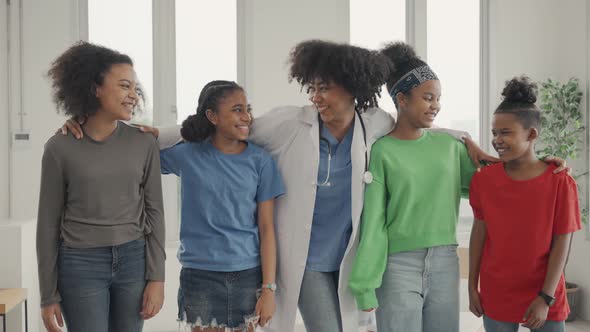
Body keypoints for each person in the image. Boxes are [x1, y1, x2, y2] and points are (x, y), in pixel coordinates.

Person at [348, 41, 479, 332]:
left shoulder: (450, 146)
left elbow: (492, 187)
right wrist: (365, 284)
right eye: (428, 97)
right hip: (397, 266)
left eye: (438, 98)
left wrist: (539, 165)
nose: (436, 105)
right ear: (402, 100)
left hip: (446, 260)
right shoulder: (382, 151)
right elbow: (375, 223)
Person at [38, 41, 165, 332]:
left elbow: (155, 212)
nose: (133, 95)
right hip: (80, 264)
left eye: (135, 88)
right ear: (94, 88)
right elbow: (47, 224)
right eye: (124, 86)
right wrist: (48, 295)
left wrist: (157, 277)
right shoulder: (60, 147)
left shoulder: (143, 142)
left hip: (134, 259)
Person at [159, 80, 284, 331]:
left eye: (247, 109)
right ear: (212, 116)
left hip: (248, 272)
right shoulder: (188, 154)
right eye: (237, 109)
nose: (247, 117)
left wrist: (269, 289)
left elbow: (267, 227)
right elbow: (133, 149)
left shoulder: (261, 162)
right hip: (199, 274)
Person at [468, 76, 581, 332]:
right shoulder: (484, 180)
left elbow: (562, 242)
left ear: (532, 134)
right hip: (497, 289)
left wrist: (545, 298)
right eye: (494, 133)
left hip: (545, 290)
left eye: (506, 132)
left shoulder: (559, 181)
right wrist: (472, 286)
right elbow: (479, 234)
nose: (497, 139)